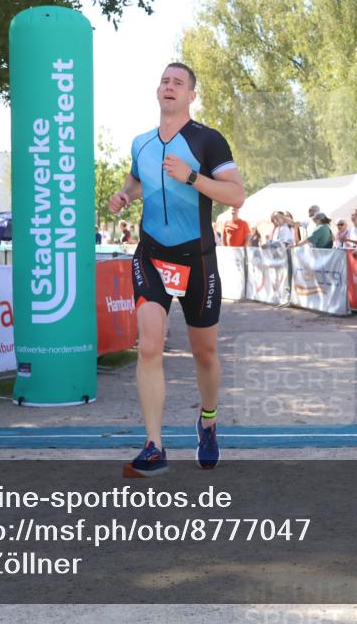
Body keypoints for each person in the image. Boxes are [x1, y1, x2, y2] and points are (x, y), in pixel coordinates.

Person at [108, 62, 244, 477]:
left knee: (205, 354)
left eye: (178, 82)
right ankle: (154, 446)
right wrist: (124, 196)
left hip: (197, 259)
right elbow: (137, 181)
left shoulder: (207, 141)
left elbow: (236, 194)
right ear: (157, 91)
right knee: (149, 347)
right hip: (151, 255)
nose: (169, 87)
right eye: (165, 81)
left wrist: (193, 177)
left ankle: (208, 420)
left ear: (191, 96)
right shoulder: (141, 143)